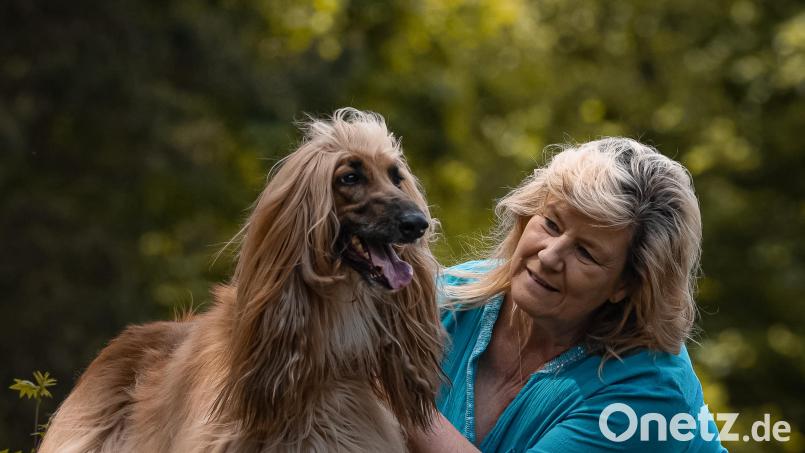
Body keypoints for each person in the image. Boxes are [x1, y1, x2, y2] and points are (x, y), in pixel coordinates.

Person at [409, 138, 727, 452]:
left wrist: (393, 394)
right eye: (550, 223)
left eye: (586, 252)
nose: (549, 256)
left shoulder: (650, 393)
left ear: (627, 285)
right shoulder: (447, 297)